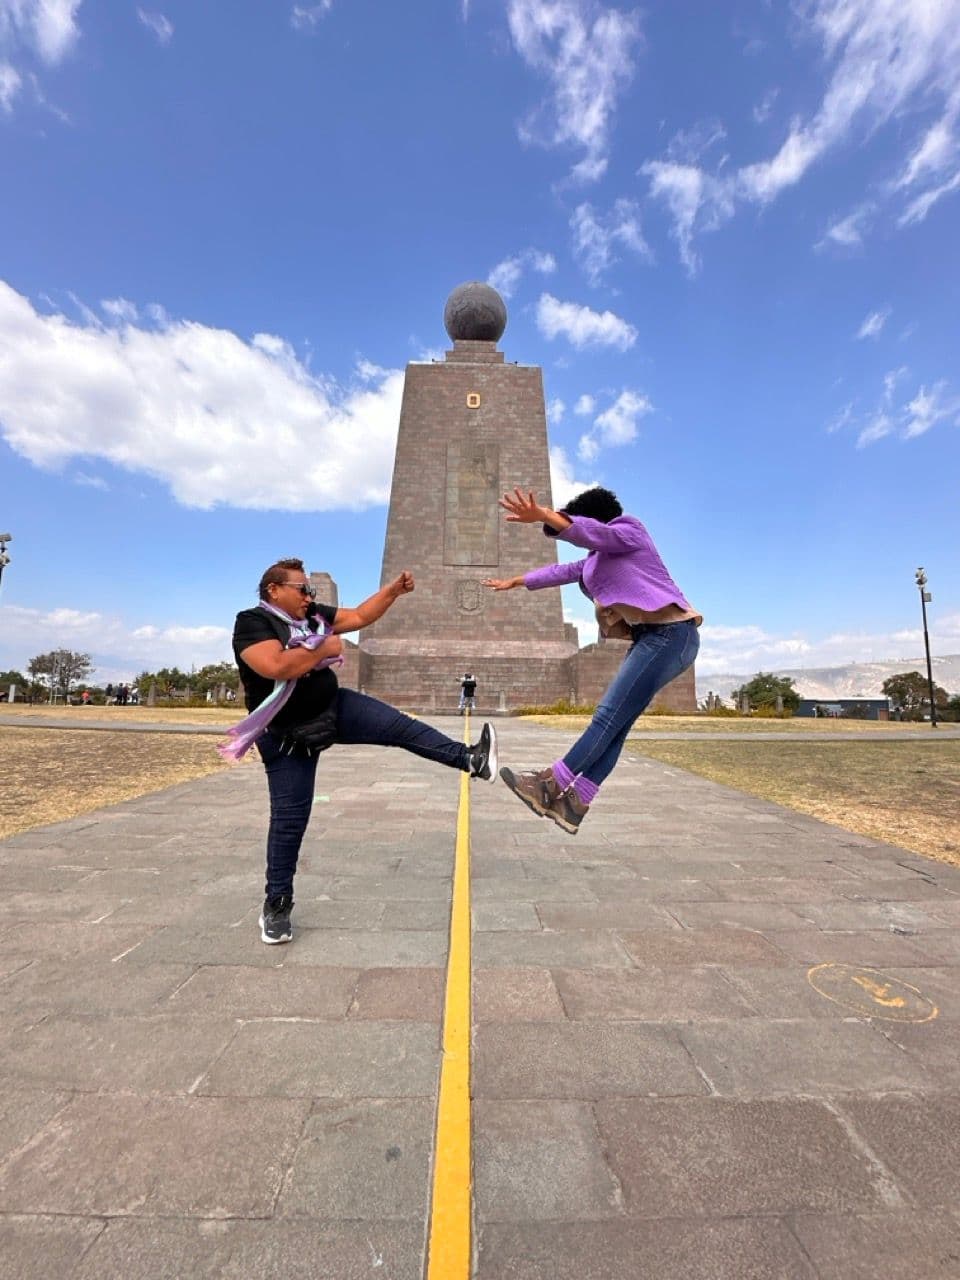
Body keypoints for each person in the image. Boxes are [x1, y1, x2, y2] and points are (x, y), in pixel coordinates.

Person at [225, 558, 498, 945]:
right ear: (274, 590)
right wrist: (323, 647)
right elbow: (276, 665)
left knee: (400, 727)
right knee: (290, 821)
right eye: (302, 589)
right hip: (286, 736)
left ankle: (470, 758)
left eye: (310, 591)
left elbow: (358, 616)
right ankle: (277, 905)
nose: (309, 597)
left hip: (332, 708)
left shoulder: (312, 616)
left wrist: (392, 592)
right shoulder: (253, 622)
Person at [483, 487, 701, 834]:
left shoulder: (629, 530)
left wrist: (546, 515)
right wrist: (518, 581)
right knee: (616, 727)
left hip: (671, 634)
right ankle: (574, 803)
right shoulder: (596, 559)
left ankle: (548, 785)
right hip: (656, 639)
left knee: (606, 718)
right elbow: (562, 571)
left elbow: (597, 533)